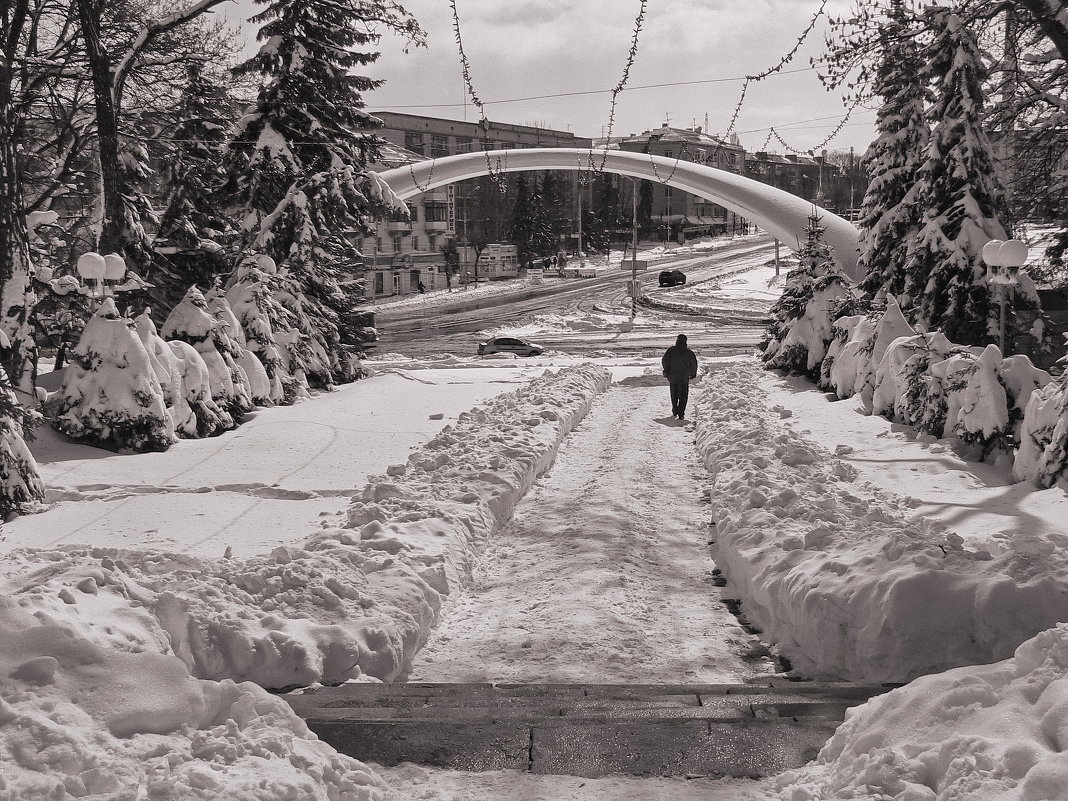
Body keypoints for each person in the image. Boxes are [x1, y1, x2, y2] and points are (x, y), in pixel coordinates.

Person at [661, 334, 698, 420]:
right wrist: (693, 374)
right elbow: (693, 364)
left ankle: (675, 410)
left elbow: (664, 361)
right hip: (684, 378)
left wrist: (667, 370)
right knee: (683, 395)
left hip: (673, 377)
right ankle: (681, 413)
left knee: (674, 394)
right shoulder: (689, 352)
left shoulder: (671, 350)